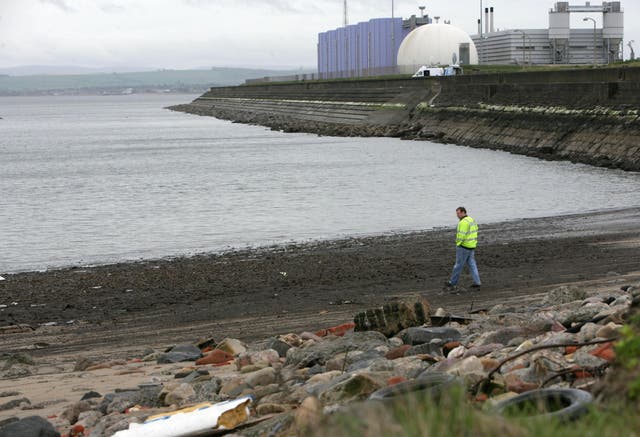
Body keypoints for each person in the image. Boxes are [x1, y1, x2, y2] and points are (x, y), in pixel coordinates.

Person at [445, 206, 481, 289]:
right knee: (472, 264)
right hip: (471, 246)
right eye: (457, 213)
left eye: (458, 213)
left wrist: (458, 244)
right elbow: (476, 230)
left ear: (463, 212)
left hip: (464, 247)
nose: (457, 215)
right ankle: (477, 282)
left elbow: (461, 235)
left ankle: (452, 282)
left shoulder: (463, 222)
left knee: (458, 265)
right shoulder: (471, 220)